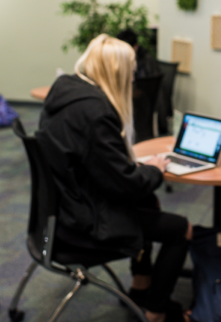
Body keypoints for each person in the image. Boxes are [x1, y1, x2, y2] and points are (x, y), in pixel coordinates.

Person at [36, 34, 190, 322]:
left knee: (150, 201)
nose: (134, 78)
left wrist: (134, 169)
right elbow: (127, 185)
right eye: (132, 72)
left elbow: (102, 167)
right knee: (182, 229)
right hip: (84, 225)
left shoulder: (67, 91)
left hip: (59, 214)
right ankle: (155, 312)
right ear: (117, 73)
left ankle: (140, 287)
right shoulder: (96, 114)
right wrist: (155, 168)